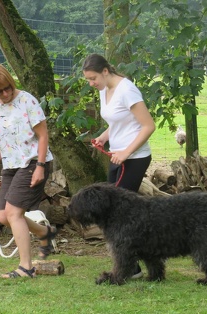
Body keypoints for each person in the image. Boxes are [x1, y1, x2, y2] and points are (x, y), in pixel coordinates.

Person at [82, 54, 156, 278]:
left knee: (119, 214)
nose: (91, 84)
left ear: (105, 71)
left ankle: (132, 267)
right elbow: (117, 122)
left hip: (134, 158)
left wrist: (126, 152)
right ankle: (130, 265)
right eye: (88, 80)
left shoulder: (127, 90)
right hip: (117, 156)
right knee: (114, 212)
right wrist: (104, 137)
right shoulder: (105, 90)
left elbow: (148, 126)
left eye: (93, 78)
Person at [0, 63, 57, 279]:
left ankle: (26, 268)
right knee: (4, 216)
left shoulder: (27, 100)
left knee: (15, 213)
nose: (5, 94)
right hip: (11, 165)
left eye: (8, 88)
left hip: (33, 162)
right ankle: (45, 232)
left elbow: (43, 135)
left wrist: (40, 167)